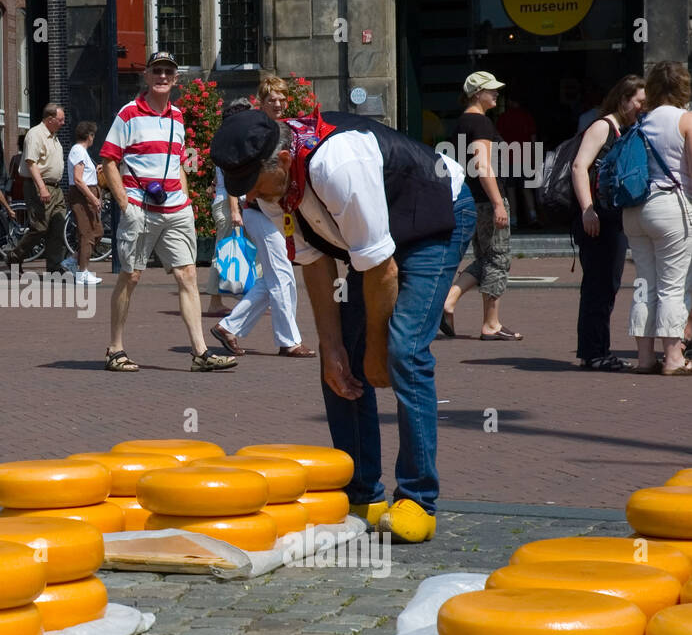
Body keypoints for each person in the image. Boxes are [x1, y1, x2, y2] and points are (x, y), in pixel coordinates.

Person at [212, 106, 476, 544]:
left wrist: (375, 351)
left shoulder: (337, 165)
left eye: (251, 184)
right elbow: (315, 265)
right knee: (338, 365)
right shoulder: (273, 185)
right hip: (374, 238)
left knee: (403, 350)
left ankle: (418, 499)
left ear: (278, 162)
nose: (250, 197)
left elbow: (383, 271)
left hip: (435, 217)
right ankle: (362, 493)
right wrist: (331, 348)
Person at [101, 51, 236, 373]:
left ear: (175, 80)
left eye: (168, 73)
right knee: (131, 276)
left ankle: (200, 352)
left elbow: (179, 164)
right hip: (140, 208)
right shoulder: (129, 114)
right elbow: (108, 160)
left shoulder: (177, 116)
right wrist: (125, 204)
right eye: (156, 71)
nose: (162, 77)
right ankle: (115, 349)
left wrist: (186, 201)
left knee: (187, 275)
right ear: (146, 76)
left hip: (176, 208)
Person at [209, 86, 315, 359]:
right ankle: (289, 341)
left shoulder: (286, 130)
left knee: (272, 278)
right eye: (272, 100)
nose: (278, 104)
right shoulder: (254, 137)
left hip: (278, 213)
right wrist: (235, 209)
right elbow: (232, 179)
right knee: (281, 276)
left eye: (282, 98)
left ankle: (228, 327)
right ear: (262, 104)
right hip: (258, 211)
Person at [569, 74, 644, 372]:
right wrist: (588, 209)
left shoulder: (625, 129)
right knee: (599, 285)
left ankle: (597, 350)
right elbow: (579, 166)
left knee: (606, 284)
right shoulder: (603, 126)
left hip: (610, 219)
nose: (642, 107)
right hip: (597, 219)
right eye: (638, 101)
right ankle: (594, 352)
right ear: (623, 100)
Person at [622, 60, 692, 375]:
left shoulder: (642, 120)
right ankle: (674, 358)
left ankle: (645, 358)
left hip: (635, 208)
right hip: (671, 207)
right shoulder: (686, 121)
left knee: (643, 284)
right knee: (673, 286)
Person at [441, 71, 522, 340]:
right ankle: (491, 324)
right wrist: (498, 203)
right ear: (477, 93)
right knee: (498, 259)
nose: (496, 94)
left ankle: (449, 301)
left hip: (468, 199)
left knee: (486, 258)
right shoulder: (481, 123)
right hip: (487, 200)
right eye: (491, 90)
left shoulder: (461, 123)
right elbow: (482, 164)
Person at [7, 104, 67, 273]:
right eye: (61, 119)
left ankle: (54, 267)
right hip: (39, 186)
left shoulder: (53, 136)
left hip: (55, 188)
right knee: (40, 227)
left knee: (58, 226)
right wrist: (42, 188)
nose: (63, 123)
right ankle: (14, 256)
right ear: (50, 119)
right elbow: (31, 163)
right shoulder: (35, 134)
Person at [61, 120, 103, 285]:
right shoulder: (78, 150)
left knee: (97, 232)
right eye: (93, 135)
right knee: (87, 233)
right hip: (82, 196)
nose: (93, 139)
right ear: (89, 136)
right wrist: (92, 198)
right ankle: (82, 273)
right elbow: (78, 179)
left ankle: (73, 260)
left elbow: (83, 175)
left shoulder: (81, 152)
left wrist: (95, 170)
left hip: (86, 194)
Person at [496, 97, 540, 229]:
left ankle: (513, 219)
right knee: (527, 189)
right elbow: (533, 138)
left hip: (508, 158)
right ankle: (533, 216)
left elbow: (498, 139)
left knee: (510, 191)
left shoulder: (503, 118)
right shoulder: (527, 117)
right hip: (525, 157)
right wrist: (535, 158)